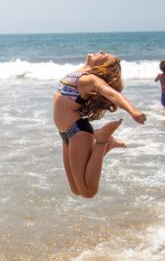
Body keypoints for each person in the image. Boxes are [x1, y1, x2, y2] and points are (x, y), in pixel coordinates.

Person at [54, 51, 146, 198]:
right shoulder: (80, 72)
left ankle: (102, 140)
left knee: (88, 192)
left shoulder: (91, 80)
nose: (101, 51)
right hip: (65, 134)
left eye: (105, 55)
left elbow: (112, 94)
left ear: (104, 66)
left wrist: (133, 111)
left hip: (77, 131)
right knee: (76, 189)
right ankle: (109, 144)